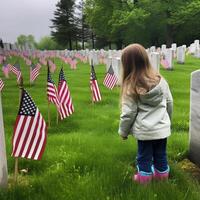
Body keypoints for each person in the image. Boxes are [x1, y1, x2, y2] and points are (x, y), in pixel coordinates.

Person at [118, 44, 173, 184]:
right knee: (161, 154)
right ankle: (162, 178)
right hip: (162, 129)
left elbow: (128, 113)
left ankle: (144, 180)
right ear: (145, 59)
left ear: (127, 64)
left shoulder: (131, 85)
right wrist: (167, 123)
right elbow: (169, 102)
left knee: (144, 157)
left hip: (145, 131)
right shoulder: (161, 80)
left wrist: (123, 132)